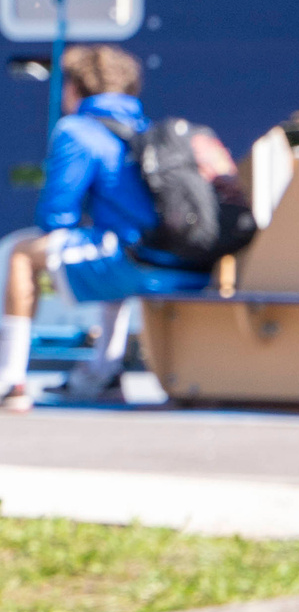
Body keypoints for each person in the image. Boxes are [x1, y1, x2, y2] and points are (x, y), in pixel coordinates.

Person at [0, 44, 216, 411]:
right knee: (106, 247)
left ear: (72, 88)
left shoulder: (76, 130)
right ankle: (102, 373)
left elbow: (56, 216)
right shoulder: (145, 128)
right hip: (185, 264)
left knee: (21, 252)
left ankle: (9, 381)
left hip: (136, 261)